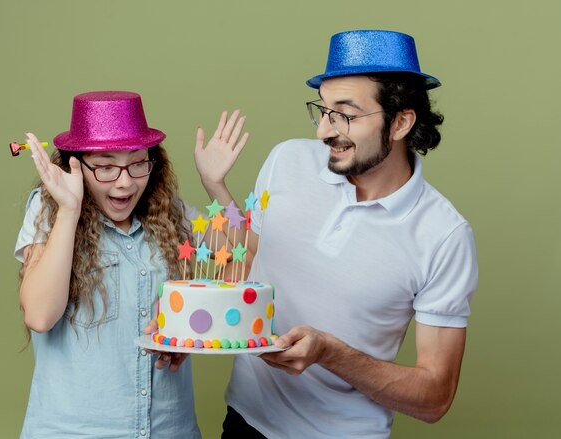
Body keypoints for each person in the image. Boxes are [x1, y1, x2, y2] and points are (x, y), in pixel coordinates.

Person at [194, 30, 479, 438]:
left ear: (401, 121)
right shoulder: (287, 159)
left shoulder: (444, 235)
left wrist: (330, 353)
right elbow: (254, 259)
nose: (324, 132)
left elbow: (435, 398)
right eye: (322, 110)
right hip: (245, 420)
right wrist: (216, 189)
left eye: (345, 114)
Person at [14, 91, 201, 438]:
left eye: (137, 163)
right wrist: (69, 209)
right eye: (105, 166)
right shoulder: (47, 209)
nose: (125, 181)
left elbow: (239, 270)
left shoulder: (172, 214)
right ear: (76, 165)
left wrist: (214, 183)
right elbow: (39, 315)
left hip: (169, 428)